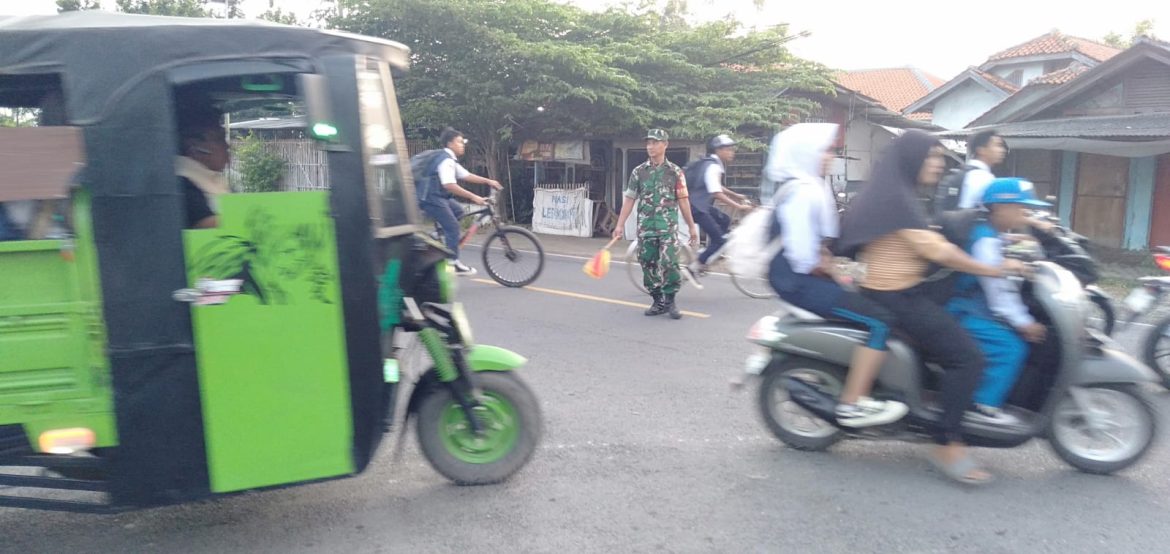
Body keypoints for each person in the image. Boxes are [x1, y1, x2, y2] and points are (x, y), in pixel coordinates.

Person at [837, 130, 1026, 486]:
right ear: (912, 160)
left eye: (940, 157)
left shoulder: (899, 195)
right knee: (967, 357)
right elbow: (937, 251)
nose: (939, 164)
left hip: (902, 291)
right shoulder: (897, 201)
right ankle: (946, 441)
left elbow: (932, 234)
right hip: (896, 296)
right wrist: (994, 267)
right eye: (932, 157)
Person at [765, 123, 908, 427]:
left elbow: (822, 250)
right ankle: (850, 403)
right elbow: (806, 258)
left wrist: (855, 272)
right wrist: (852, 274)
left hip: (804, 276)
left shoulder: (810, 185)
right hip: (799, 282)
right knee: (881, 321)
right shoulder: (803, 192)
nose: (831, 156)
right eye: (826, 151)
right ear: (807, 154)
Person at [947, 178, 1050, 425]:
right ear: (999, 208)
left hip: (972, 304)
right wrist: (1024, 322)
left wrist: (1014, 242)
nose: (1025, 212)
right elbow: (999, 293)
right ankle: (982, 406)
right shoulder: (986, 240)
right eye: (1020, 207)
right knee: (1010, 348)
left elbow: (994, 247)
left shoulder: (988, 231)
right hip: (963, 310)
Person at [612, 128, 699, 319]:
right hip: (646, 227)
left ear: (665, 144)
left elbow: (683, 200)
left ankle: (670, 301)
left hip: (667, 227)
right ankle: (657, 299)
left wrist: (692, 226)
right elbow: (629, 199)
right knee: (647, 263)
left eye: (655, 142)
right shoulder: (639, 172)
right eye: (648, 143)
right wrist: (619, 225)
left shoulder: (675, 172)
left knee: (670, 263)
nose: (650, 146)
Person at [418, 127, 503, 276]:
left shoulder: (449, 159)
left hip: (437, 197)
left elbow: (466, 175)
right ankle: (453, 263)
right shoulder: (446, 161)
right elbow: (449, 185)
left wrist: (488, 181)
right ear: (450, 144)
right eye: (459, 142)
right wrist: (473, 197)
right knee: (452, 227)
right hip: (431, 198)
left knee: (458, 211)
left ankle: (436, 237)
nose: (462, 145)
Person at [684, 134, 752, 278]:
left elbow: (717, 186)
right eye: (728, 149)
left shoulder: (710, 163)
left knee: (725, 220)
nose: (731, 152)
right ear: (718, 150)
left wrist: (737, 196)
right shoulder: (714, 166)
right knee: (719, 240)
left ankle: (713, 250)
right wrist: (738, 206)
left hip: (698, 205)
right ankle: (694, 267)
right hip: (697, 208)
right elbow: (716, 193)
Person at [176, 103, 230, 229]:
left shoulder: (213, 181)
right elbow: (207, 225)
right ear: (194, 147)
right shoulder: (183, 185)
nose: (227, 146)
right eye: (219, 139)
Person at [956, 130, 1007, 209]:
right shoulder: (982, 177)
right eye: (998, 145)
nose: (1002, 150)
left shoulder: (966, 171)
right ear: (981, 150)